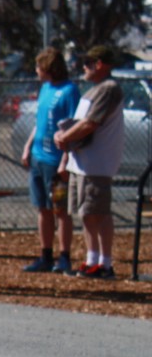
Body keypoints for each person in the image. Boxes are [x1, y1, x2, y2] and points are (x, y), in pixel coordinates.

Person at [55, 45, 126, 279]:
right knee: (86, 213)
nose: (84, 67)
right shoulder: (92, 91)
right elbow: (78, 122)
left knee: (100, 212)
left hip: (98, 164)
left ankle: (106, 264)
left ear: (101, 64)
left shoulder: (109, 89)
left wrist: (65, 137)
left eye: (89, 62)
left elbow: (90, 124)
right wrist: (64, 145)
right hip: (81, 162)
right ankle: (91, 259)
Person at [20, 47, 80, 273]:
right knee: (42, 208)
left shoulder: (69, 91)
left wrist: (65, 160)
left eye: (39, 66)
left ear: (49, 67)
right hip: (38, 158)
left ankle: (64, 257)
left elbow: (72, 126)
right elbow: (40, 122)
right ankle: (45, 255)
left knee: (60, 210)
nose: (36, 70)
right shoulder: (44, 89)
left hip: (56, 161)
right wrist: (28, 146)